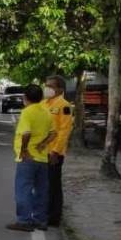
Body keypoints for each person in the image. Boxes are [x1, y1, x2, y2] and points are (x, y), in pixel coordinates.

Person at [7, 84, 56, 232]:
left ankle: (24, 221)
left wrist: (23, 150)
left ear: (25, 98)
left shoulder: (27, 112)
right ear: (41, 97)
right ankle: (40, 220)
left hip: (28, 158)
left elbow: (26, 133)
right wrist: (43, 144)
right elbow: (54, 133)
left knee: (23, 189)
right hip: (42, 158)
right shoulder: (47, 111)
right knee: (41, 190)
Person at [44, 75, 73, 227]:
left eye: (51, 86)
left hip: (54, 153)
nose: (48, 88)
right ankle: (44, 213)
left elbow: (64, 131)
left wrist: (55, 151)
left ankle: (54, 217)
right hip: (42, 152)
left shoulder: (64, 105)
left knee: (53, 185)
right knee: (44, 184)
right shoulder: (44, 103)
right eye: (46, 85)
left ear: (60, 89)